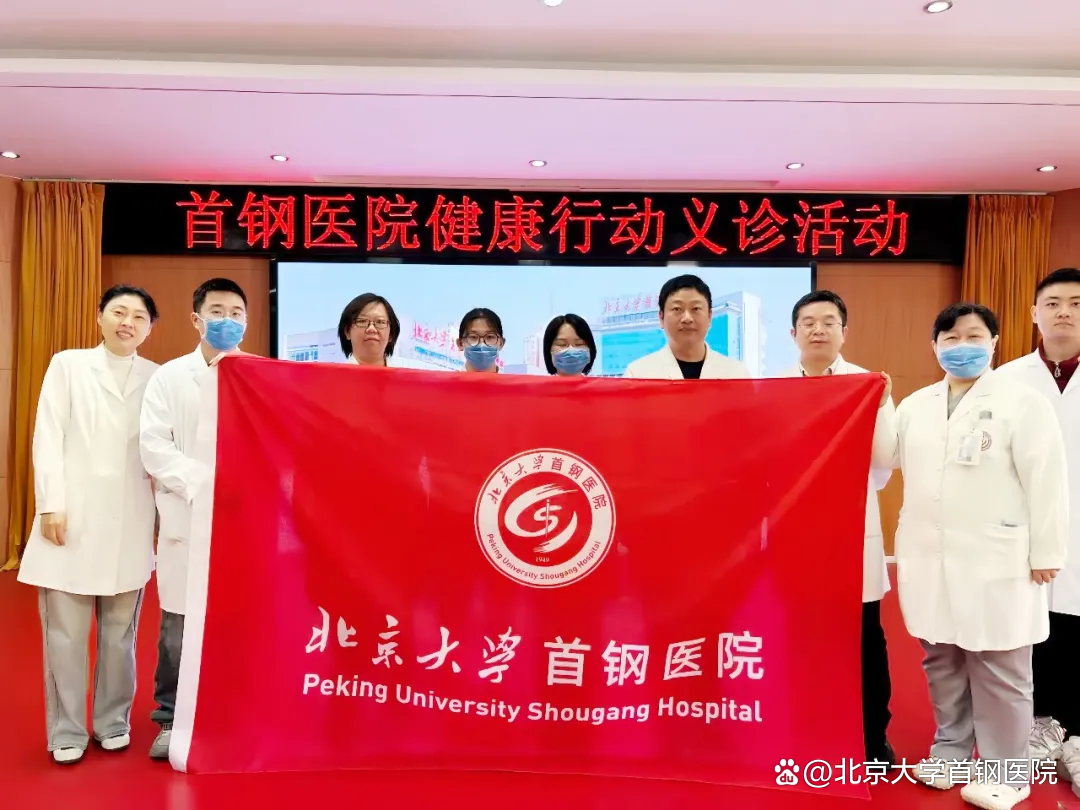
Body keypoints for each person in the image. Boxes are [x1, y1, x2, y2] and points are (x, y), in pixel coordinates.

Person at [882, 302, 1068, 810]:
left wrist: (1047, 550)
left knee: (1000, 664)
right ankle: (952, 752)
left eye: (973, 336)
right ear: (934, 346)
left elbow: (1047, 480)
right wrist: (877, 405)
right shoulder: (915, 405)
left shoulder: (1022, 403)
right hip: (930, 555)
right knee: (941, 660)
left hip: (999, 557)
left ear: (994, 343)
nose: (961, 346)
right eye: (950, 338)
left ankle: (1007, 771)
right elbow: (883, 459)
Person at [17, 285, 160, 765]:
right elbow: (47, 435)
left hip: (129, 523)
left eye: (139, 316)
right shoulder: (69, 365)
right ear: (100, 316)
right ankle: (67, 730)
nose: (127, 322)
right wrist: (50, 505)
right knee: (66, 635)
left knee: (120, 634)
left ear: (149, 328)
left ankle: (113, 721)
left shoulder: (156, 377)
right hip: (70, 521)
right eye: (118, 311)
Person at [775, 289, 896, 766]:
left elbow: (885, 461)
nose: (818, 330)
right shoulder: (774, 389)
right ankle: (801, 727)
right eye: (808, 322)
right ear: (793, 333)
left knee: (865, 639)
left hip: (852, 533)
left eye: (828, 321)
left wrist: (882, 405)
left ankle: (872, 737)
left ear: (845, 332)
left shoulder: (867, 384)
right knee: (798, 639)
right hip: (794, 536)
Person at [139, 278, 249, 760]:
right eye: (217, 311)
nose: (228, 320)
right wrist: (204, 483)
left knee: (238, 621)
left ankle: (233, 712)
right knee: (177, 626)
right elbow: (154, 445)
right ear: (196, 319)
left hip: (243, 517)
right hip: (187, 515)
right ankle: (170, 717)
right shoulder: (168, 377)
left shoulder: (257, 375)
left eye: (236, 312)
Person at [996, 267, 1080, 790]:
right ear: (1034, 314)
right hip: (1024, 527)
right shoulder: (1007, 380)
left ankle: (1078, 738)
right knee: (1034, 629)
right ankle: (1041, 726)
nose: (1064, 312)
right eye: (1052, 303)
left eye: (1075, 303)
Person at [623, 274, 750, 379]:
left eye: (696, 308)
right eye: (677, 309)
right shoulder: (637, 374)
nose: (687, 318)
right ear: (661, 318)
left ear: (710, 316)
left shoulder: (737, 374)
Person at [337, 293, 400, 367]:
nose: (371, 329)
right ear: (347, 332)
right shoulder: (335, 374)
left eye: (380, 322)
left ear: (391, 334)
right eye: (362, 321)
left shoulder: (406, 373)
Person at [456, 308, 505, 373]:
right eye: (473, 337)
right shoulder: (447, 380)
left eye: (490, 337)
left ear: (501, 343)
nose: (482, 345)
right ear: (460, 343)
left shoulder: (512, 379)